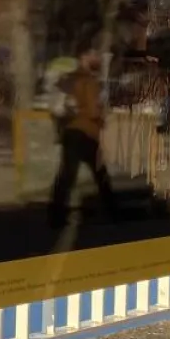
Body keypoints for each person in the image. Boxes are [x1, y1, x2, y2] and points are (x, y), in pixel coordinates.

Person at [48, 49, 117, 232]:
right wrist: (103, 117)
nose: (97, 57)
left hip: (70, 132)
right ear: (83, 57)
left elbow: (58, 106)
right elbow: (94, 112)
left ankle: (56, 215)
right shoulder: (89, 81)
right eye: (93, 54)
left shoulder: (68, 79)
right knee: (101, 175)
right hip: (86, 133)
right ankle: (113, 212)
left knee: (66, 176)